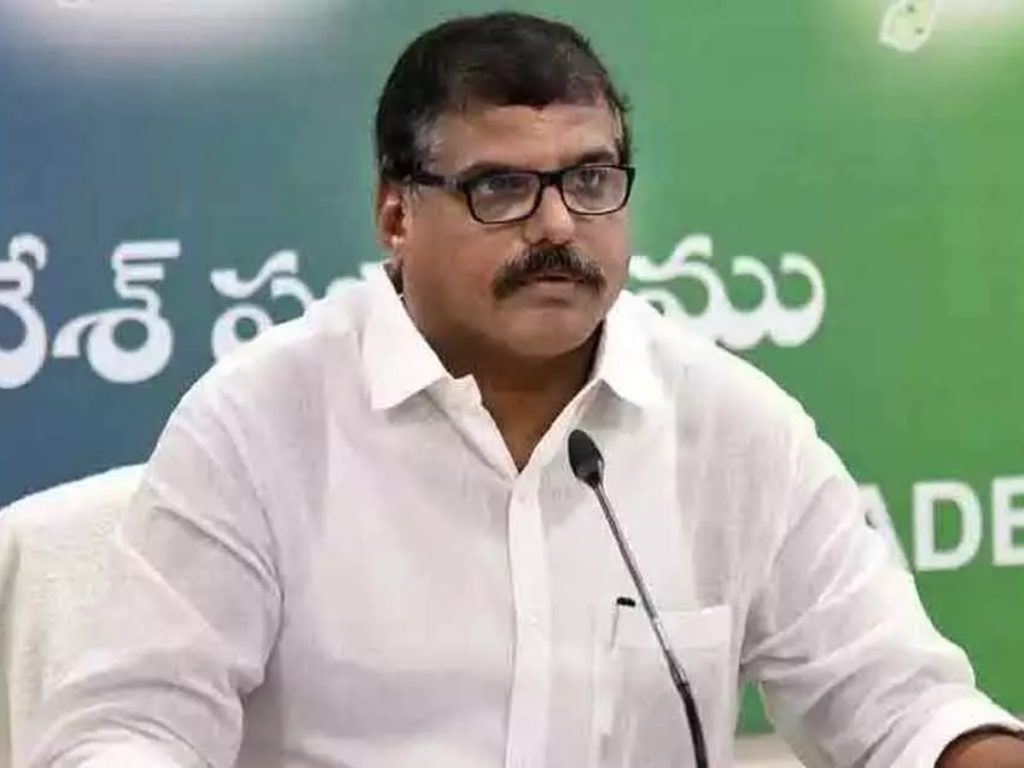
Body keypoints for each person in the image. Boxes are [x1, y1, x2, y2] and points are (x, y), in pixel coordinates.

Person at [26, 11, 1024, 768]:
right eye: (500, 188)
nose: (556, 226)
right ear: (395, 215)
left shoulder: (730, 427)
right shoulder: (257, 426)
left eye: (589, 180)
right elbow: (131, 728)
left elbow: (900, 706)